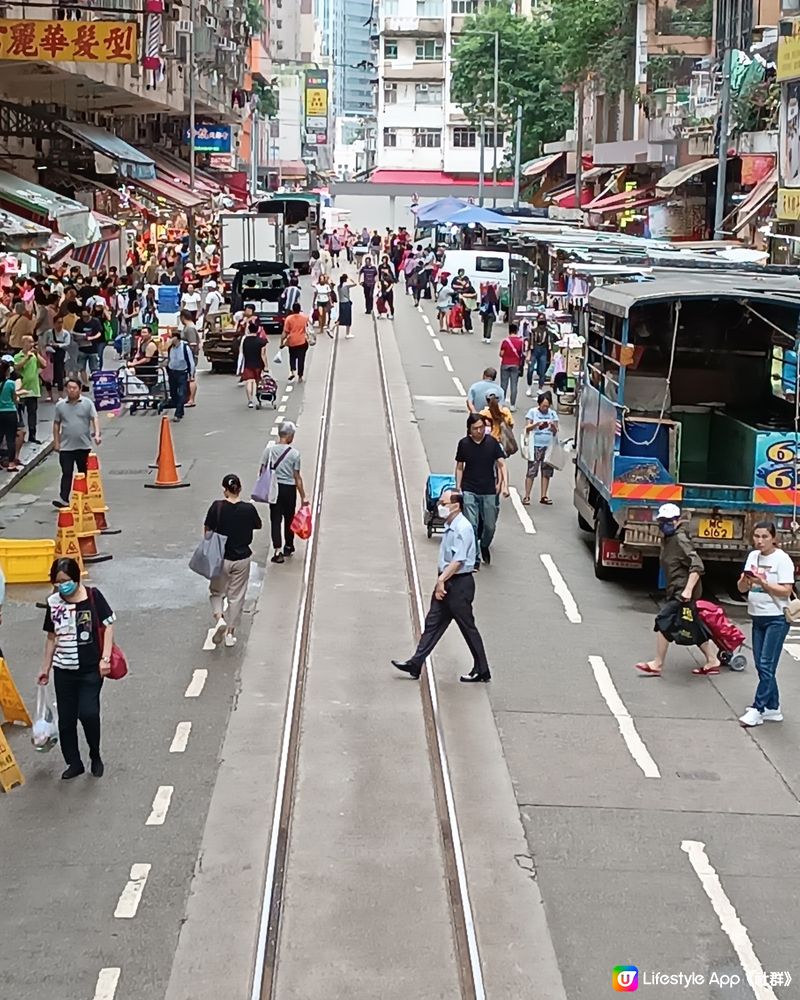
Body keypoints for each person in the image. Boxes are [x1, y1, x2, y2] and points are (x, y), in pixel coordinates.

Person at [392, 489, 491, 683]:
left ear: (456, 505)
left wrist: (441, 580)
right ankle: (415, 662)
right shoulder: (450, 525)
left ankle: (482, 669)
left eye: (443, 503)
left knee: (467, 627)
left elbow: (459, 560)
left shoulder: (463, 528)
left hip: (458, 583)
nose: (440, 506)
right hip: (448, 580)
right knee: (433, 623)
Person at [38, 556, 115, 779]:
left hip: (90, 669)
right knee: (67, 720)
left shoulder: (92, 597)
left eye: (66, 580)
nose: (63, 585)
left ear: (76, 577)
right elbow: (51, 638)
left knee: (89, 713)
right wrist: (45, 667)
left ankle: (95, 754)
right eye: (58, 581)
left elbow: (108, 626)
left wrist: (105, 659)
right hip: (63, 671)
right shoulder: (53, 603)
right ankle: (74, 762)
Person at [635, 503, 719, 677]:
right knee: (692, 624)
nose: (664, 524)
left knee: (663, 620)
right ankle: (712, 659)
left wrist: (688, 590)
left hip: (683, 592)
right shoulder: (668, 538)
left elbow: (697, 565)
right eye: (661, 521)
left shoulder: (680, 540)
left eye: (668, 521)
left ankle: (657, 663)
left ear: (677, 521)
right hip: (676, 589)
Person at [737, 522, 794, 727]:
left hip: (776, 618)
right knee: (762, 665)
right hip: (756, 616)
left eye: (764, 537)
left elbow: (786, 591)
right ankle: (773, 707)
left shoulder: (782, 559)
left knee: (767, 664)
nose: (760, 541)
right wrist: (746, 579)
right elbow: (741, 587)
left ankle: (758, 708)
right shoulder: (753, 556)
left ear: (773, 538)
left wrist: (763, 583)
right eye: (757, 536)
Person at [203, 474, 262, 649]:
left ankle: (219, 618)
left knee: (216, 592)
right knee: (236, 596)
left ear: (224, 489)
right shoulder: (248, 509)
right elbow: (258, 525)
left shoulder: (217, 507)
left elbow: (207, 529)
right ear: (240, 489)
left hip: (221, 558)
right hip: (242, 557)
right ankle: (230, 633)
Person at [456, 412, 508, 569]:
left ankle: (484, 544)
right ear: (469, 429)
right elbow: (459, 466)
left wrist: (503, 484)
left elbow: (501, 464)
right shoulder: (464, 444)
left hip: (488, 490)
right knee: (472, 524)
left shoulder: (492, 443)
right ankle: (476, 557)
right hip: (469, 488)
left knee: (489, 525)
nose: (479, 431)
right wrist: (458, 487)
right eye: (475, 428)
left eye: (482, 427)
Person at [260, 421, 307, 564]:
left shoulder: (269, 451)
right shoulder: (294, 454)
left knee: (275, 519)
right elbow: (297, 477)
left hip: (274, 488)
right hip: (289, 489)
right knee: (289, 518)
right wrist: (303, 496)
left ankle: (277, 550)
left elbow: (262, 471)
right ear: (290, 436)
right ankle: (289, 545)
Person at [52, 377, 101, 507]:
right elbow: (56, 424)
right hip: (66, 447)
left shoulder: (87, 403)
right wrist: (56, 442)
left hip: (83, 445)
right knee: (66, 472)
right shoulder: (60, 406)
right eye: (69, 388)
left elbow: (94, 418)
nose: (72, 390)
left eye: (74, 388)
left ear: (79, 389)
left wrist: (97, 434)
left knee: (83, 472)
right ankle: (64, 498)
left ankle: (85, 496)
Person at [523, 392, 559, 506]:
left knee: (546, 471)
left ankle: (544, 495)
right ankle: (527, 495)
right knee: (532, 470)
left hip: (548, 445)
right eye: (543, 406)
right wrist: (536, 424)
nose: (545, 408)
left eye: (547, 406)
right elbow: (527, 428)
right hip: (535, 444)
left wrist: (552, 426)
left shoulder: (552, 414)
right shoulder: (532, 412)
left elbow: (556, 430)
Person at [13, 335, 45, 445]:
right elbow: (16, 367)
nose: (32, 344)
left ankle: (32, 435)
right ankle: (20, 435)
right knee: (20, 414)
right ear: (24, 343)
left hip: (33, 390)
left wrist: (37, 355)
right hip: (21, 390)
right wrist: (26, 358)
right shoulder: (18, 356)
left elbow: (44, 365)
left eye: (32, 342)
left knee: (32, 414)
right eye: (30, 342)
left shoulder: (35, 356)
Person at [159, 329, 195, 422]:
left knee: (182, 393)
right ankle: (180, 410)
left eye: (171, 337)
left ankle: (178, 413)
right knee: (174, 394)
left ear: (177, 338)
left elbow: (191, 362)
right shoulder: (171, 348)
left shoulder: (185, 348)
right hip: (172, 372)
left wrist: (191, 374)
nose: (170, 339)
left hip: (182, 373)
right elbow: (170, 359)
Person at [238, 319, 268, 409]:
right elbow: (263, 355)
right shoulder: (261, 341)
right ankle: (258, 398)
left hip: (248, 363)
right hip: (259, 364)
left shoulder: (245, 341)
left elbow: (242, 353)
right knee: (258, 382)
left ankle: (250, 401)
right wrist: (266, 366)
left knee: (249, 381)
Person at [72, 306, 104, 388]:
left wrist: (92, 338)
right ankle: (85, 384)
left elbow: (99, 332)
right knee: (81, 368)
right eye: (83, 316)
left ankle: (96, 384)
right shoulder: (79, 322)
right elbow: (75, 333)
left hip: (93, 348)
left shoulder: (95, 321)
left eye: (86, 316)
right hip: (82, 348)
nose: (85, 318)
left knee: (94, 368)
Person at [281, 302, 310, 383]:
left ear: (293, 310)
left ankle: (292, 371)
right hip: (302, 341)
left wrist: (282, 342)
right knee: (301, 358)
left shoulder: (289, 319)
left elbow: (285, 332)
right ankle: (300, 376)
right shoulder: (304, 318)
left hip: (292, 341)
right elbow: (307, 327)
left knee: (292, 356)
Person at [498, 323, 525, 411]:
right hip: (516, 365)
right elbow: (522, 354)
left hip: (505, 364)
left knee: (503, 385)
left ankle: (501, 403)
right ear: (517, 331)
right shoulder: (521, 342)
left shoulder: (505, 341)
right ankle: (512, 405)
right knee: (514, 385)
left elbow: (501, 354)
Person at [0, 356, 19, 471]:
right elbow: (15, 398)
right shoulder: (11, 383)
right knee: (10, 438)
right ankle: (11, 463)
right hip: (10, 412)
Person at [179, 309, 200, 407]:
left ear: (183, 317)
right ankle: (187, 397)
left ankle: (191, 399)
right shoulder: (187, 327)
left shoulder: (190, 328)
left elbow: (193, 343)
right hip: (186, 356)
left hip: (190, 356)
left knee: (191, 377)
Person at [525, 315, 551, 395]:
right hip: (534, 351)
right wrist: (528, 354)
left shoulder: (547, 331)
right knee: (530, 369)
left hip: (543, 351)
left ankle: (540, 388)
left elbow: (549, 344)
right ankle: (529, 386)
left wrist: (551, 355)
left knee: (542, 370)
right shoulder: (533, 331)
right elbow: (530, 343)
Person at [335, 273, 356, 339]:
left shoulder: (339, 286)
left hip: (341, 303)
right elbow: (355, 283)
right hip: (346, 303)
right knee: (348, 318)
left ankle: (347, 333)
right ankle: (347, 333)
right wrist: (350, 279)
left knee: (341, 317)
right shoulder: (346, 285)